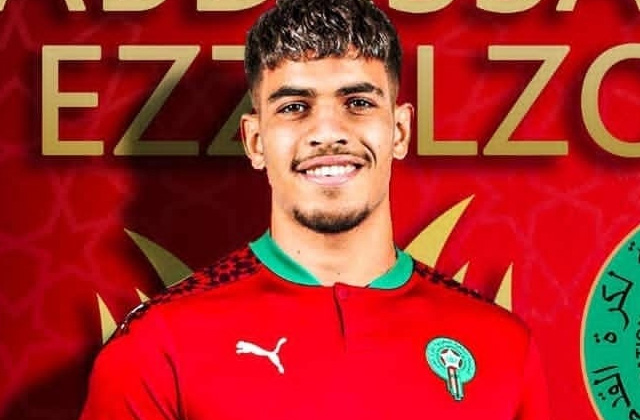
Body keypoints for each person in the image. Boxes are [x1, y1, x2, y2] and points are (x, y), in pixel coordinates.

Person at [80, 0, 549, 419]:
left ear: (400, 131)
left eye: (358, 102)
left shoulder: (501, 345)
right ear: (255, 141)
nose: (327, 132)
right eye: (294, 107)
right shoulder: (158, 343)